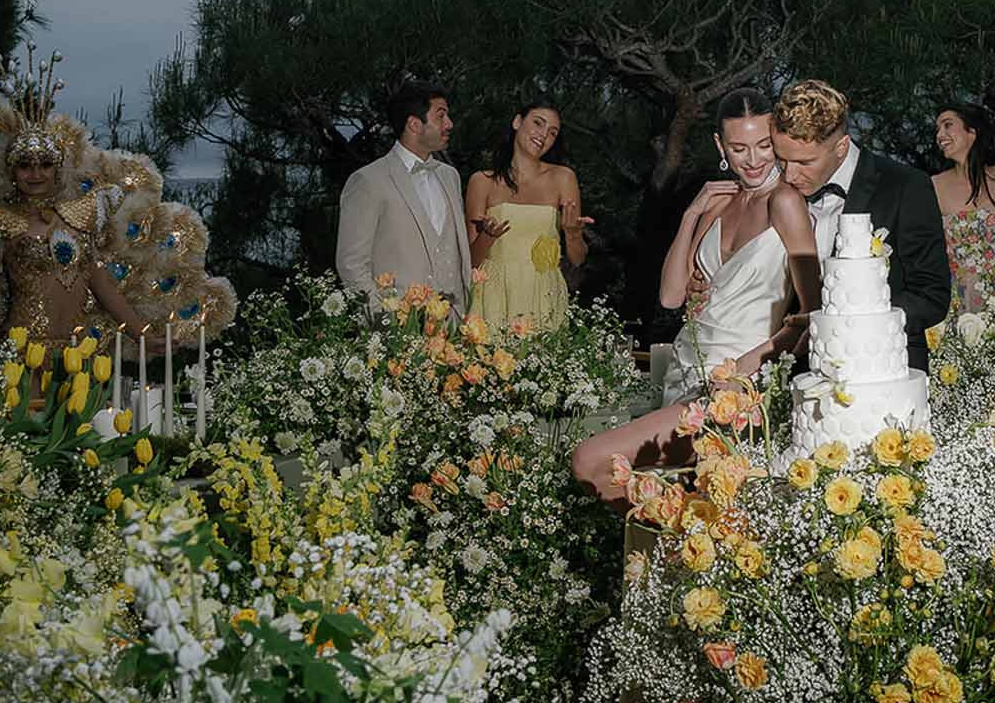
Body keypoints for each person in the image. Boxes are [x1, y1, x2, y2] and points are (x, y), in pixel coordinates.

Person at [570, 91, 818, 503]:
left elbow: (812, 315)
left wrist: (739, 375)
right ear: (721, 147)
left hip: (737, 388)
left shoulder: (786, 201)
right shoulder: (717, 201)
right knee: (699, 506)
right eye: (739, 148)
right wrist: (690, 215)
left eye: (763, 146)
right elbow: (670, 296)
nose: (753, 160)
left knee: (591, 461)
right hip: (684, 372)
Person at [768, 78, 950, 370]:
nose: (789, 175)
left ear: (841, 147)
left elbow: (931, 296)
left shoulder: (905, 186)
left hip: (882, 368)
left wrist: (843, 324)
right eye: (782, 160)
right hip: (798, 372)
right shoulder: (777, 193)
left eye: (805, 162)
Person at [0, 113, 146, 343]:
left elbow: (104, 287)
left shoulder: (79, 218)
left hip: (78, 355)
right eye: (25, 166)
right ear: (12, 171)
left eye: (45, 165)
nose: (36, 174)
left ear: (57, 169)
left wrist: (143, 336)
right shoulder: (1, 221)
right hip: (22, 357)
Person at [335, 82, 472, 309]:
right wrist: (385, 323)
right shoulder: (368, 181)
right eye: (441, 116)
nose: (449, 124)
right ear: (414, 124)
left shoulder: (451, 176)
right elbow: (351, 265)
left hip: (454, 327)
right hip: (398, 333)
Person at [464, 103, 592, 334]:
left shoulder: (564, 178)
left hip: (544, 295)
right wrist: (488, 236)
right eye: (538, 123)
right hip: (494, 297)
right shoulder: (481, 181)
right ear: (517, 122)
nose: (544, 135)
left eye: (552, 132)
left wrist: (573, 235)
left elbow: (578, 259)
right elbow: (470, 262)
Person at [929, 103, 995, 315]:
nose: (940, 135)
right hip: (957, 302)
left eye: (948, 125)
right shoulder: (934, 186)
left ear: (972, 132)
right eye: (937, 129)